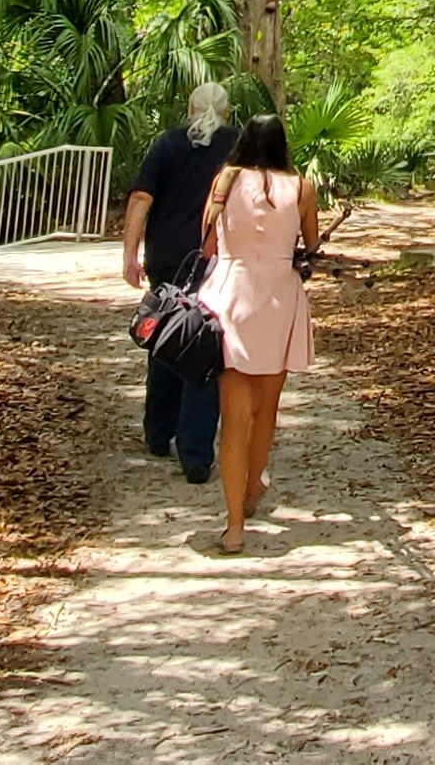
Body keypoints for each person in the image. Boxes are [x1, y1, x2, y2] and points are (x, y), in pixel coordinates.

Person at [195, 112, 323, 554]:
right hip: (278, 298)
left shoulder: (225, 180)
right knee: (266, 409)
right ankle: (252, 487)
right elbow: (310, 244)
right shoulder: (302, 186)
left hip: (231, 294)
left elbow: (208, 245)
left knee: (234, 418)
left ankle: (233, 527)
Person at [119, 82, 236, 482]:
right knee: (203, 348)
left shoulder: (167, 144)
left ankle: (158, 430)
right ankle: (196, 453)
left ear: (190, 107)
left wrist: (130, 255)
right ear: (227, 112)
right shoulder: (236, 148)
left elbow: (140, 200)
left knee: (167, 336)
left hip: (168, 257)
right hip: (214, 258)